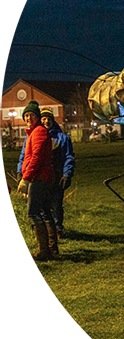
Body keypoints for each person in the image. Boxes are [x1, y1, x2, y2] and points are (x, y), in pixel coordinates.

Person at [18, 107, 75, 238]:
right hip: (40, 175)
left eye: (49, 119)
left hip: (53, 175)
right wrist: (20, 170)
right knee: (43, 207)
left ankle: (55, 232)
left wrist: (67, 174)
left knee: (54, 205)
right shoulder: (32, 135)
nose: (46, 121)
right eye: (44, 118)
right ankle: (49, 239)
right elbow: (24, 156)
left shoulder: (61, 138)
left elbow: (68, 157)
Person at [16, 101, 57, 260]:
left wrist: (26, 179)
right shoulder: (34, 132)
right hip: (42, 177)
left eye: (31, 115)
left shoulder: (39, 132)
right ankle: (51, 249)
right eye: (26, 115)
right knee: (45, 211)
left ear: (37, 116)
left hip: (39, 178)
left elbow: (37, 157)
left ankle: (43, 251)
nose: (28, 118)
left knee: (33, 212)